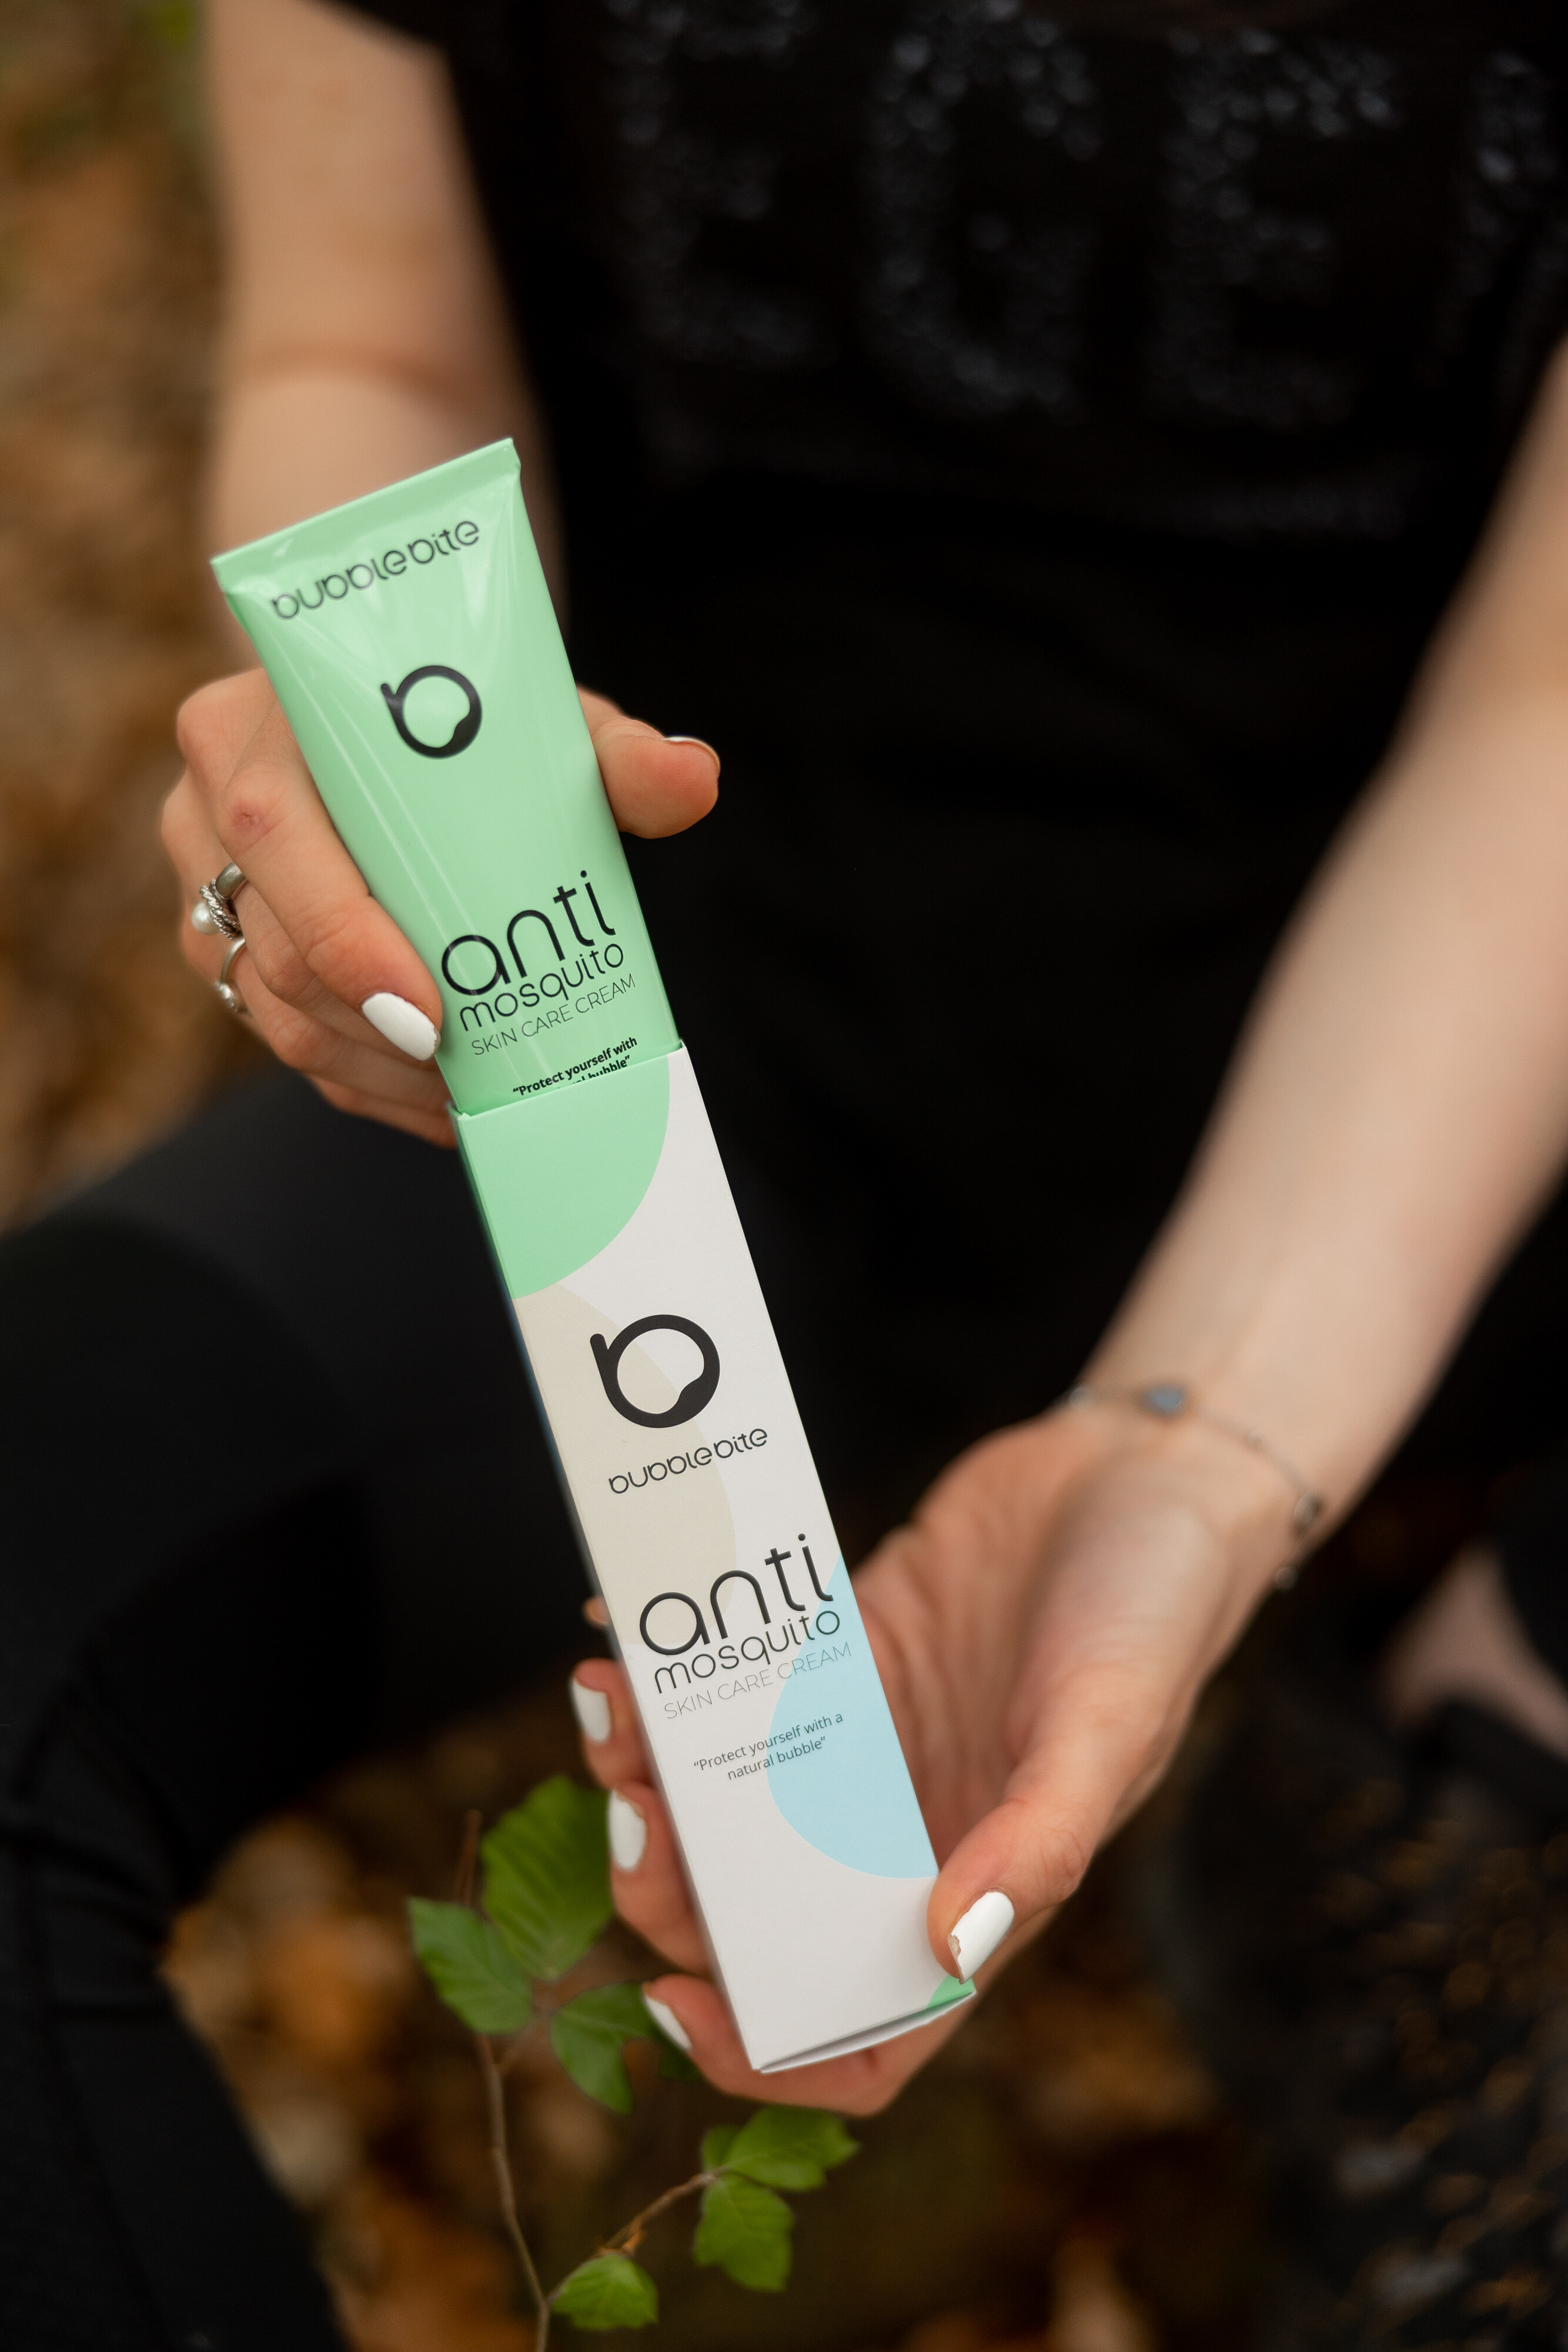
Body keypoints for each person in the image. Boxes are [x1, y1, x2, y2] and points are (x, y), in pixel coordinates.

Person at [10, 0, 1568, 2343]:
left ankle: (1453, 1744)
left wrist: (1200, 1441)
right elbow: (367, 346)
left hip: (1445, 1124)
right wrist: (366, 799)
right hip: (633, 1075)